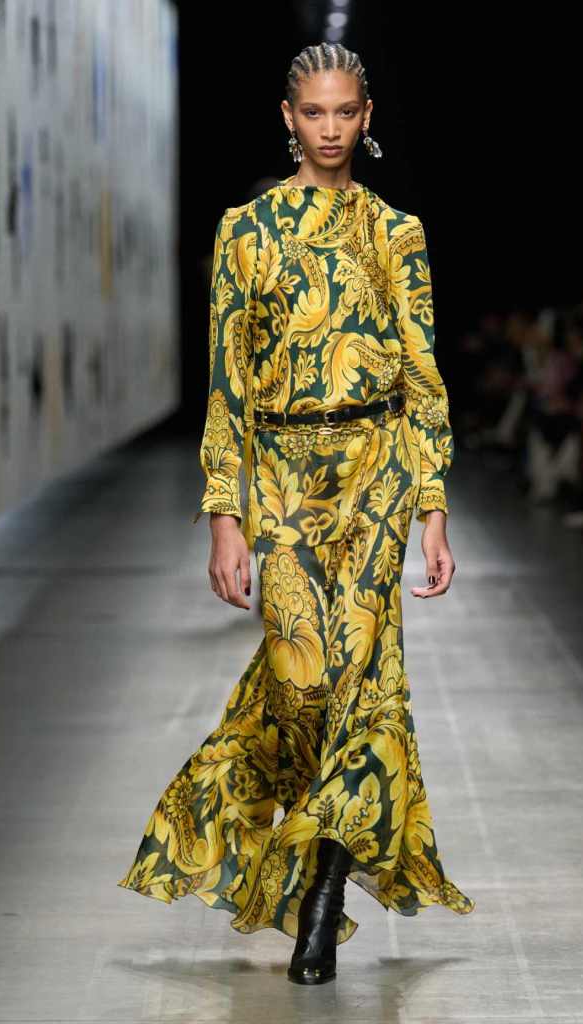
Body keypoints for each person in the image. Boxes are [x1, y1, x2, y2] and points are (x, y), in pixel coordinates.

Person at [117, 40, 475, 985]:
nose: (329, 128)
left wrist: (431, 504)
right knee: (300, 680)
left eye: (345, 112)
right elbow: (226, 382)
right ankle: (298, 852)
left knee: (360, 683)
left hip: (374, 474)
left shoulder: (396, 232)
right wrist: (224, 514)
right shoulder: (247, 230)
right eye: (313, 112)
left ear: (366, 116)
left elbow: (422, 373)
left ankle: (320, 894)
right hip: (279, 476)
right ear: (287, 116)